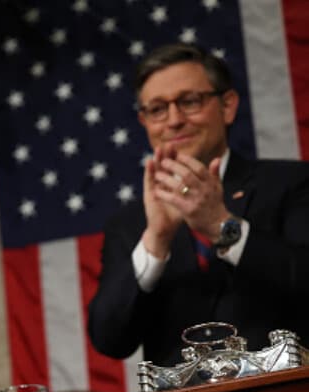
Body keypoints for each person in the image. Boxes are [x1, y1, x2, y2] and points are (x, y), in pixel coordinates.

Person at [88, 43, 309, 368]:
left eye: (189, 102)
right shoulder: (131, 224)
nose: (174, 120)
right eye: (157, 109)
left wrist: (222, 227)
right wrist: (156, 241)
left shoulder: (291, 183)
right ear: (144, 121)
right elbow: (109, 339)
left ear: (228, 106)